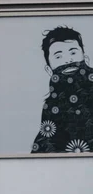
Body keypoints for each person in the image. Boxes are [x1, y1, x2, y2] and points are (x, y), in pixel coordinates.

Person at [31, 26, 93, 154]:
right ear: (49, 70)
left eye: (73, 53)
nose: (68, 60)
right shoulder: (51, 105)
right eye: (58, 57)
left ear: (86, 59)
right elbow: (47, 140)